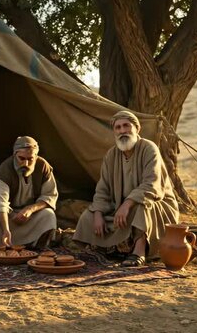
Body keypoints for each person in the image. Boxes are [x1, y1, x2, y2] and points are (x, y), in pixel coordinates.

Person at [73, 111, 179, 266]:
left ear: (137, 128)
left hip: (157, 206)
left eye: (126, 126)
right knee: (88, 216)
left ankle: (139, 252)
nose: (122, 131)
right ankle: (106, 248)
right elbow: (103, 189)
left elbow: (152, 185)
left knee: (143, 207)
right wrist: (97, 213)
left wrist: (128, 203)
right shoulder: (111, 155)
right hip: (122, 208)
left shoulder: (149, 148)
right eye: (118, 127)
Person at [0, 136, 58, 250]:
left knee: (48, 215)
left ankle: (36, 246)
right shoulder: (4, 170)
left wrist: (30, 209)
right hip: (9, 214)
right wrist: (6, 230)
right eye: (21, 158)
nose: (26, 163)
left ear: (36, 156)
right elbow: (1, 203)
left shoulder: (43, 166)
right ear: (15, 154)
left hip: (31, 215)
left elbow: (49, 195)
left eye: (30, 159)